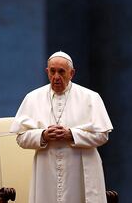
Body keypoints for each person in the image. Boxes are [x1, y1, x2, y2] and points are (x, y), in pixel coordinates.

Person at [10, 51, 113, 203]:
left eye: (61, 72)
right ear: (47, 71)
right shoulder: (32, 98)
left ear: (71, 73)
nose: (56, 77)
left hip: (79, 171)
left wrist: (72, 134)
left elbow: (102, 136)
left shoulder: (91, 97)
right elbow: (21, 138)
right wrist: (43, 135)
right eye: (52, 71)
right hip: (46, 171)